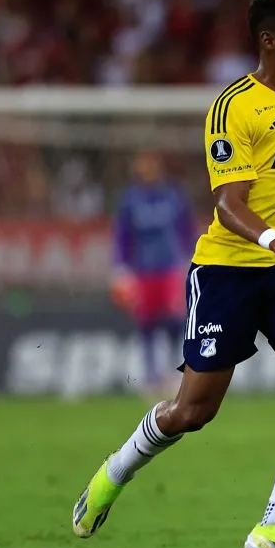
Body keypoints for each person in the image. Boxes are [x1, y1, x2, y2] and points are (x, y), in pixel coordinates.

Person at [71, 0, 275, 548]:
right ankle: (114, 473)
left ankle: (273, 525)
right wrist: (273, 240)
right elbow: (229, 204)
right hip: (230, 268)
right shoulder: (234, 106)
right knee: (193, 411)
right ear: (269, 40)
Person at [111, 152, 196, 396]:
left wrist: (190, 257)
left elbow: (186, 228)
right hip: (142, 270)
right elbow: (123, 236)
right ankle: (150, 376)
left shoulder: (174, 196)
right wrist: (121, 267)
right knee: (146, 323)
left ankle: (171, 372)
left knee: (174, 320)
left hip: (170, 268)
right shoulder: (130, 200)